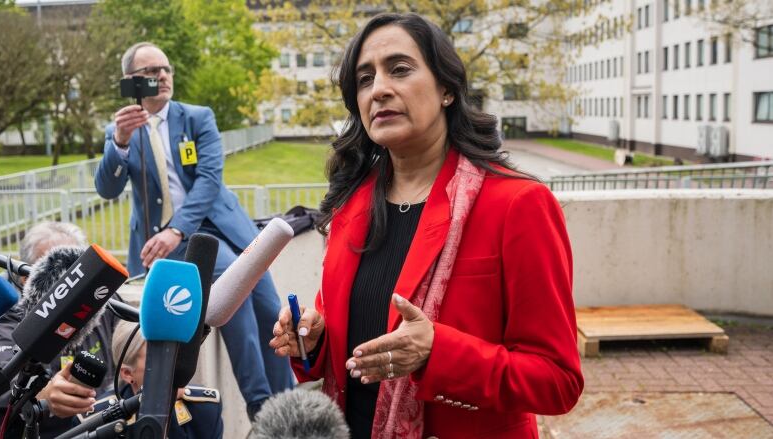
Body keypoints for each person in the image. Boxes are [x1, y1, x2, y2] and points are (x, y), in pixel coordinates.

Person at [270, 13, 583, 439]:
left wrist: (439, 353)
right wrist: (313, 337)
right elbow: (350, 352)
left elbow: (558, 381)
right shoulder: (351, 206)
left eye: (399, 69)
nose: (379, 89)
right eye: (364, 79)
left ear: (447, 90)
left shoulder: (518, 204)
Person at [94, 42, 293, 419]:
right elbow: (106, 188)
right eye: (151, 72)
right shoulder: (120, 129)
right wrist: (118, 142)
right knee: (235, 304)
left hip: (217, 229)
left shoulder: (197, 117)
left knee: (269, 307)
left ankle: (290, 403)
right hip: (173, 247)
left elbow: (208, 180)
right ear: (131, 82)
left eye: (165, 68)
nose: (162, 76)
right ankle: (262, 406)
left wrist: (178, 229)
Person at [0, 222, 121, 438]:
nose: (75, 285)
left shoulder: (105, 303)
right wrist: (45, 396)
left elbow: (136, 347)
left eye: (81, 271)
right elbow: (3, 384)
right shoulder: (7, 324)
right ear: (27, 279)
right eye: (62, 273)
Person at [73, 320, 223, 438]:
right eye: (158, 358)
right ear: (127, 373)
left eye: (174, 352)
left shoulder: (205, 409)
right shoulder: (96, 421)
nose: (173, 365)